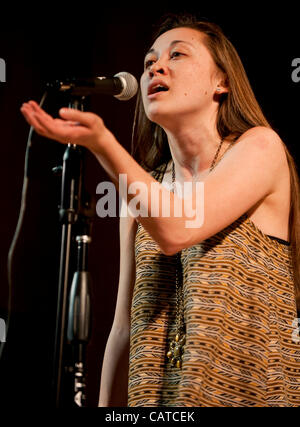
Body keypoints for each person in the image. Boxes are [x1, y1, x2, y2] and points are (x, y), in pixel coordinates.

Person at [20, 14, 300, 407]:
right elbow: (123, 329)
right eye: (149, 60)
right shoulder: (144, 191)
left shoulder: (259, 148)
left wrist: (104, 144)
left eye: (177, 54)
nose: (156, 66)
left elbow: (177, 230)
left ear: (221, 83)